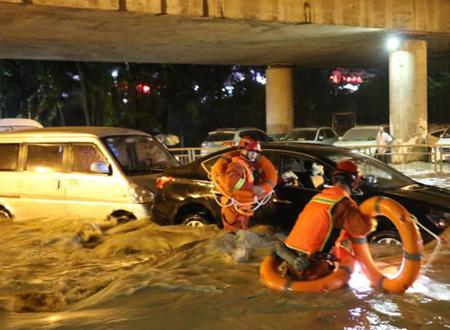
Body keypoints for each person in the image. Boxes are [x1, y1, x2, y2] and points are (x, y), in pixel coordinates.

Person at [273, 160, 376, 280]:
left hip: (291, 263)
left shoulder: (318, 197)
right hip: (313, 270)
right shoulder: (343, 204)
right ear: (355, 183)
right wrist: (371, 218)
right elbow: (363, 229)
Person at [211, 136, 278, 232]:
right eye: (252, 152)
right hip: (234, 208)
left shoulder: (248, 165)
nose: (254, 155)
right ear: (243, 151)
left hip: (242, 206)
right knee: (235, 237)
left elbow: (243, 181)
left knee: (240, 236)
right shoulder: (237, 165)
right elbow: (232, 185)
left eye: (256, 153)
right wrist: (253, 188)